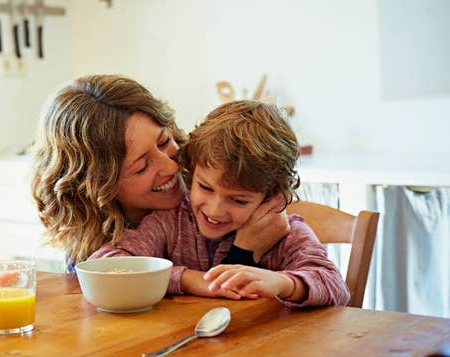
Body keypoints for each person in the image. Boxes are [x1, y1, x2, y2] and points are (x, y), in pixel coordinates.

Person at [90, 100, 350, 307]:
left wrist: (284, 283)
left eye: (238, 200)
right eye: (205, 187)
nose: (214, 210)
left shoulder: (287, 234)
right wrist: (189, 279)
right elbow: (107, 263)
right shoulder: (170, 223)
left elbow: (336, 288)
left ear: (272, 198)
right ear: (191, 171)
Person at [31, 74, 290, 273]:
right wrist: (242, 254)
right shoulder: (98, 256)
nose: (172, 167)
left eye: (164, 141)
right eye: (141, 167)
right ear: (97, 186)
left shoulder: (213, 197)